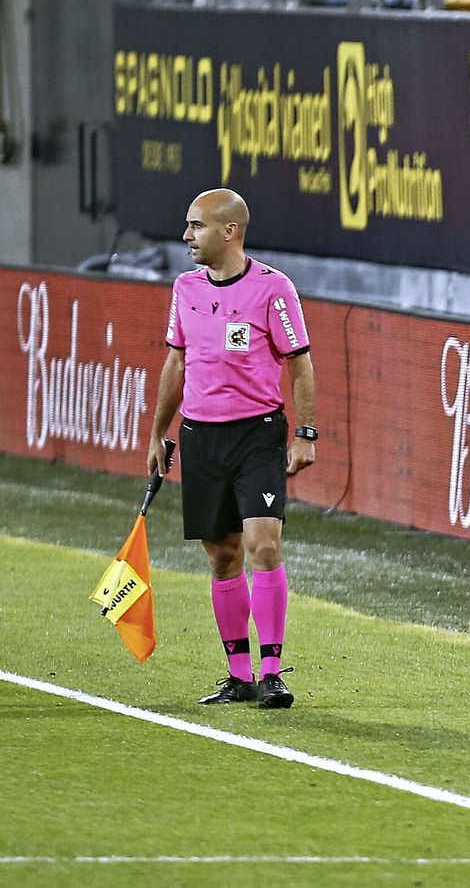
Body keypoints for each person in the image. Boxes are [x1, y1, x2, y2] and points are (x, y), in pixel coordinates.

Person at [146, 188, 317, 709]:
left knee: (263, 545)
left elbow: (300, 364)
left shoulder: (274, 289)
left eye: (196, 226)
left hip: (257, 436)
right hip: (201, 437)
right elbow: (176, 363)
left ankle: (272, 671)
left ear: (229, 231)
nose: (186, 236)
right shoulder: (185, 288)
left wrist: (305, 433)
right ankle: (238, 674)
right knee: (221, 557)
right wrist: (158, 432)